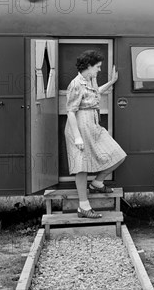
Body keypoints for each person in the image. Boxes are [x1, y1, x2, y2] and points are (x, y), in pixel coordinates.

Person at [64, 50, 127, 219]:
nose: (99, 70)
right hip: (79, 125)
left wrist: (111, 82)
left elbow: (95, 92)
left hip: (93, 124)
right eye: (98, 67)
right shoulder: (76, 84)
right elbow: (70, 112)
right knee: (82, 166)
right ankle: (83, 206)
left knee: (118, 155)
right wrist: (77, 137)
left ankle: (97, 183)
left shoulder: (90, 79)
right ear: (89, 66)